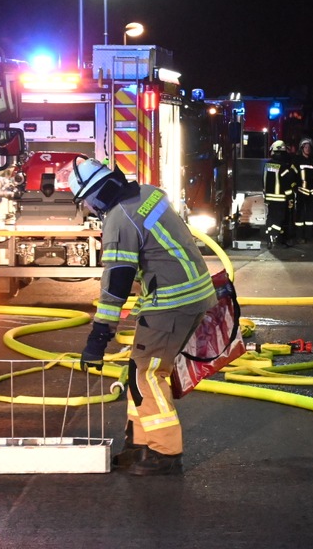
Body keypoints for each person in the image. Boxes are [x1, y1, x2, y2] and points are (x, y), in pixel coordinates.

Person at [69, 158, 217, 476]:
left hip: (172, 302)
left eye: (85, 203)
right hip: (192, 293)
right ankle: (139, 444)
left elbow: (116, 286)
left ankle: (165, 452)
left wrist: (98, 339)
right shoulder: (149, 193)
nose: (89, 209)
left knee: (147, 375)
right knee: (138, 369)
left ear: (94, 195)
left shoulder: (118, 221)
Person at [263, 139, 300, 247]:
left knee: (271, 218)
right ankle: (275, 238)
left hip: (269, 198)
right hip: (281, 198)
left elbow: (264, 180)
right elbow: (286, 184)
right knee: (280, 219)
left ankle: (269, 237)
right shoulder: (283, 167)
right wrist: (290, 198)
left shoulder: (267, 165)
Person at [295, 137, 313, 242]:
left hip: (312, 193)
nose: (307, 149)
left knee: (310, 218)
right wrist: (295, 187)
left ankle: (309, 237)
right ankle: (299, 237)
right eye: (305, 147)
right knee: (300, 217)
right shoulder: (297, 161)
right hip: (301, 192)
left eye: (309, 147)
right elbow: (293, 175)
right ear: (302, 148)